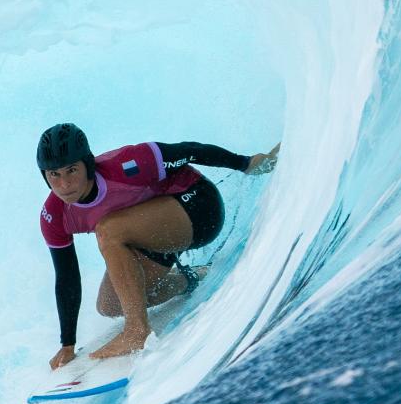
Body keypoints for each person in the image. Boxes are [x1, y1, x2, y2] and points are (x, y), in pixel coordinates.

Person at [37, 123, 279, 366]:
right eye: (54, 174)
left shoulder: (127, 164)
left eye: (71, 170)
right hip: (153, 238)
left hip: (199, 208)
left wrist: (246, 163)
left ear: (87, 165)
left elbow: (191, 150)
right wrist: (67, 344)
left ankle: (136, 331)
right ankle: (188, 279)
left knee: (108, 230)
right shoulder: (54, 216)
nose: (64, 184)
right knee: (110, 305)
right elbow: (67, 277)